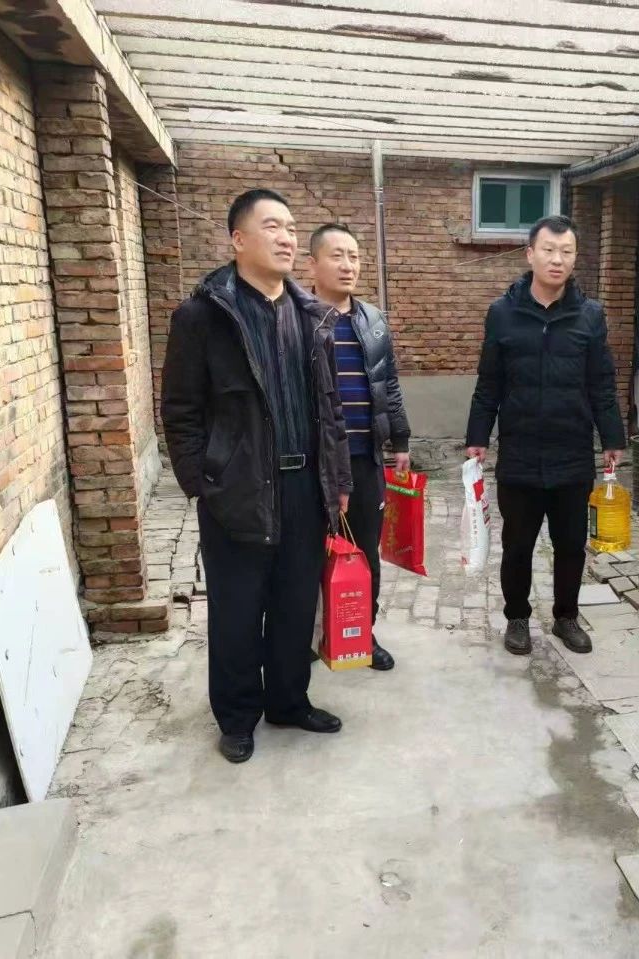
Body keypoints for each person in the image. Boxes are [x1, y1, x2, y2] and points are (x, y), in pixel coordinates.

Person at [162, 189, 352, 764]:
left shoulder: (311, 315)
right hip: (238, 488)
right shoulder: (203, 317)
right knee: (238, 610)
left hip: (305, 488)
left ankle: (289, 701)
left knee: (295, 605)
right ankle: (237, 716)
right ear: (238, 239)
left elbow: (329, 406)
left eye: (291, 227)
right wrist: (202, 482)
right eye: (272, 226)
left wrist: (337, 478)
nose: (287, 238)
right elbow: (180, 410)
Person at [465, 214, 625, 657]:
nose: (558, 259)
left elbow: (602, 383)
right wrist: (478, 435)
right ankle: (517, 618)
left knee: (571, 544)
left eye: (566, 252)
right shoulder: (503, 313)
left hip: (572, 452)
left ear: (575, 258)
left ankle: (566, 617)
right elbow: (489, 382)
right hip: (519, 452)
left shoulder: (590, 316)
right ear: (530, 254)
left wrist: (612, 438)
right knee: (517, 544)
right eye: (549, 250)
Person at [306, 222, 411, 672]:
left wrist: (400, 439)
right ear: (312, 264)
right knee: (308, 552)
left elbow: (388, 384)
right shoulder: (298, 319)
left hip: (364, 457)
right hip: (313, 460)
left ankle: (361, 632)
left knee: (364, 550)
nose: (348, 265)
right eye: (337, 255)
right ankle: (307, 638)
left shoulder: (372, 320)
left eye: (354, 256)